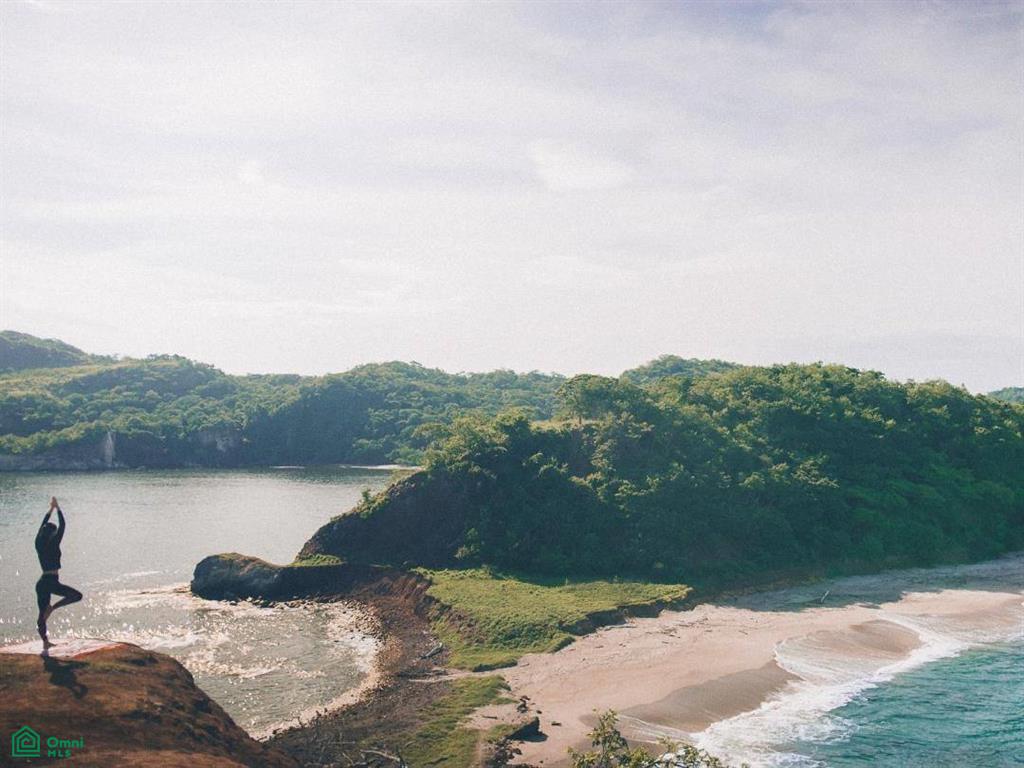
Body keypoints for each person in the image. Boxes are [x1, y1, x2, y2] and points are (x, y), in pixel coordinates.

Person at [35, 496, 82, 648]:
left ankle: (45, 643)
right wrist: (58, 508)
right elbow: (63, 525)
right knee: (76, 596)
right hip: (51, 582)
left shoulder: (38, 543)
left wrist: (51, 509)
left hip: (42, 583)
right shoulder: (53, 543)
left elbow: (42, 525)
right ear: (52, 533)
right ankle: (53, 608)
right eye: (54, 532)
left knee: (42, 616)